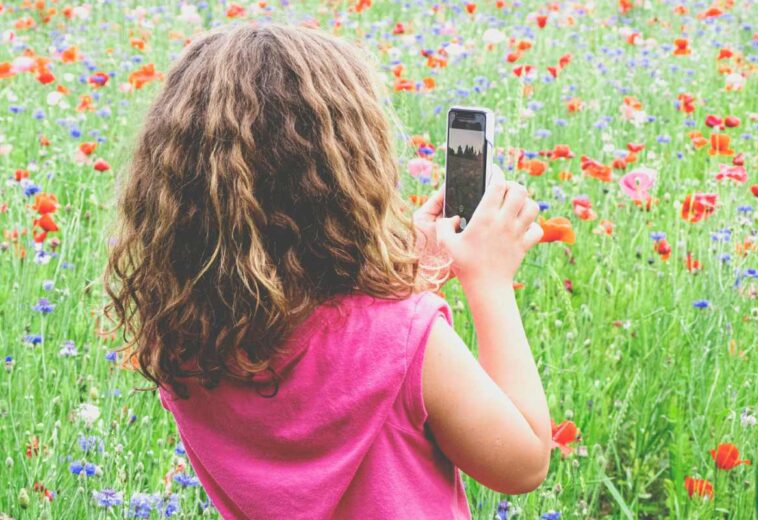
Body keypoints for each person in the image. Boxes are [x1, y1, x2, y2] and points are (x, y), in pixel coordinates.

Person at [104, 22, 550, 520]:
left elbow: (310, 334)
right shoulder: (406, 338)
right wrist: (488, 280)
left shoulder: (185, 339)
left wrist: (404, 269)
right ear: (350, 176)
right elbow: (523, 463)